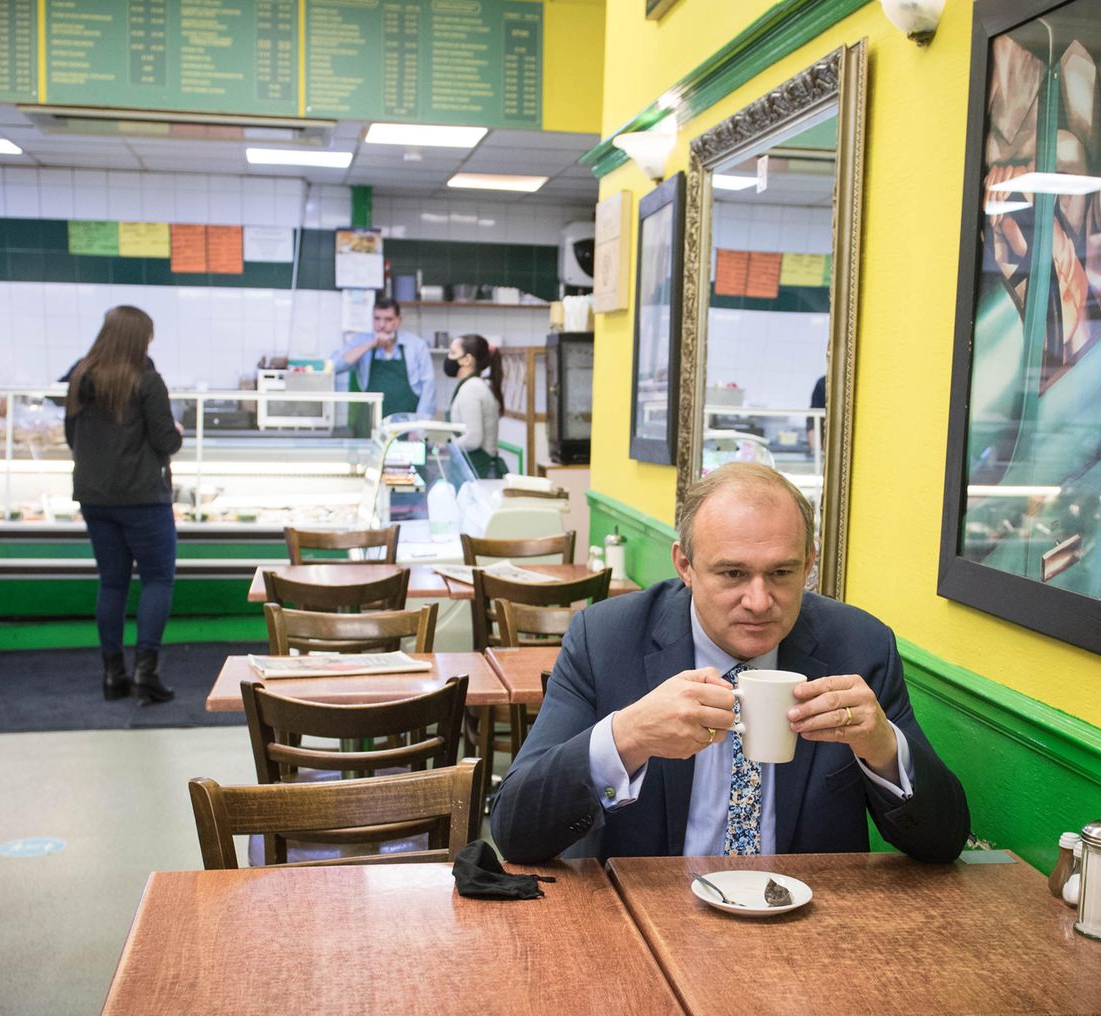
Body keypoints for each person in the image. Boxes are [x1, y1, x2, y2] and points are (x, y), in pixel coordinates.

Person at [490, 462, 969, 864]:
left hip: (805, 931)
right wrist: (628, 736)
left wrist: (884, 749)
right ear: (685, 565)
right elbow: (514, 829)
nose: (759, 602)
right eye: (732, 573)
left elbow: (942, 844)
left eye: (782, 573)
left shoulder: (859, 647)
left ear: (808, 565)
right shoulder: (607, 639)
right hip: (647, 923)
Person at [64, 306, 183, 704]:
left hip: (95, 498)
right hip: (143, 498)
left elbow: (71, 436)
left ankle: (112, 675)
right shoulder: (147, 381)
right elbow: (166, 441)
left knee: (112, 582)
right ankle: (145, 673)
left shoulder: (80, 377)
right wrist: (178, 432)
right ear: (139, 340)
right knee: (157, 579)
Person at [334, 296, 434, 427]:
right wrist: (370, 345)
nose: (381, 325)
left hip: (407, 426)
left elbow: (429, 386)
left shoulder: (416, 346)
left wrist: (420, 426)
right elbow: (334, 366)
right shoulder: (361, 341)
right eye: (377, 319)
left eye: (388, 319)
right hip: (370, 425)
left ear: (398, 321)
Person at [444, 333, 506, 479]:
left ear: (467, 360)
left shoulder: (471, 389)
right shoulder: (472, 385)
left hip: (480, 471)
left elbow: (473, 439)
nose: (448, 357)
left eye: (453, 353)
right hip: (474, 470)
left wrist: (445, 445)